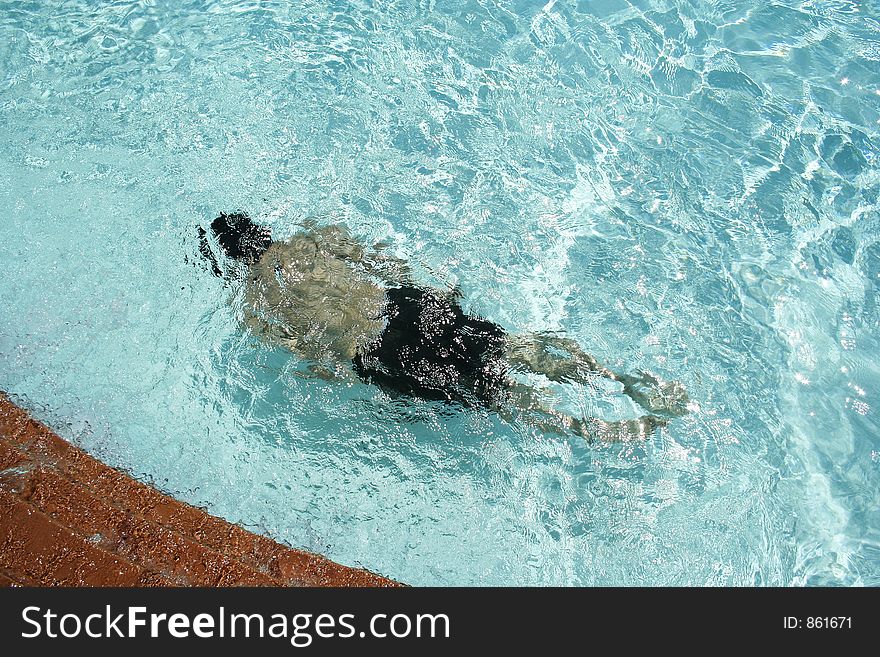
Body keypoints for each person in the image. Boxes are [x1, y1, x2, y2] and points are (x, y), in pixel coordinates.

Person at [198, 212, 690, 442]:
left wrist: (350, 379)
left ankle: (591, 429)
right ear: (263, 230)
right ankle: (622, 380)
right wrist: (429, 296)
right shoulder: (314, 239)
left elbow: (309, 356)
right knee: (512, 348)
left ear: (235, 257)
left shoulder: (254, 298)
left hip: (372, 349)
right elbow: (382, 261)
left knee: (490, 395)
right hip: (403, 306)